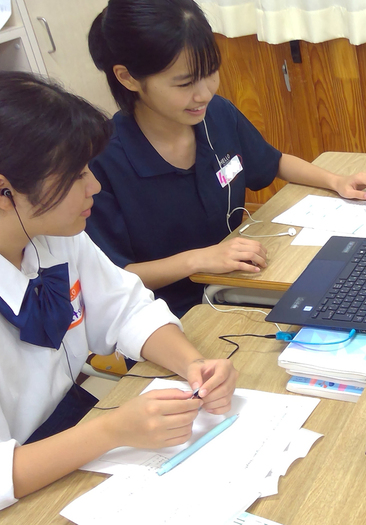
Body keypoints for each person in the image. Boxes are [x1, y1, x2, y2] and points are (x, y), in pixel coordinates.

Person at [0, 72, 239, 510]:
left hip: (73, 427)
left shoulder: (55, 232)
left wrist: (195, 365)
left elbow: (129, 310)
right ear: (4, 191)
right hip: (26, 471)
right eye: (74, 175)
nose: (94, 186)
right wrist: (110, 431)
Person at [86, 0, 366, 316]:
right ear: (128, 78)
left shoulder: (216, 115)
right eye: (186, 83)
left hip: (236, 286)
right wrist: (199, 259)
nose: (204, 93)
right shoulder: (101, 163)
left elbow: (272, 161)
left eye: (211, 73)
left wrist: (335, 180)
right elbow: (111, 278)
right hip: (164, 317)